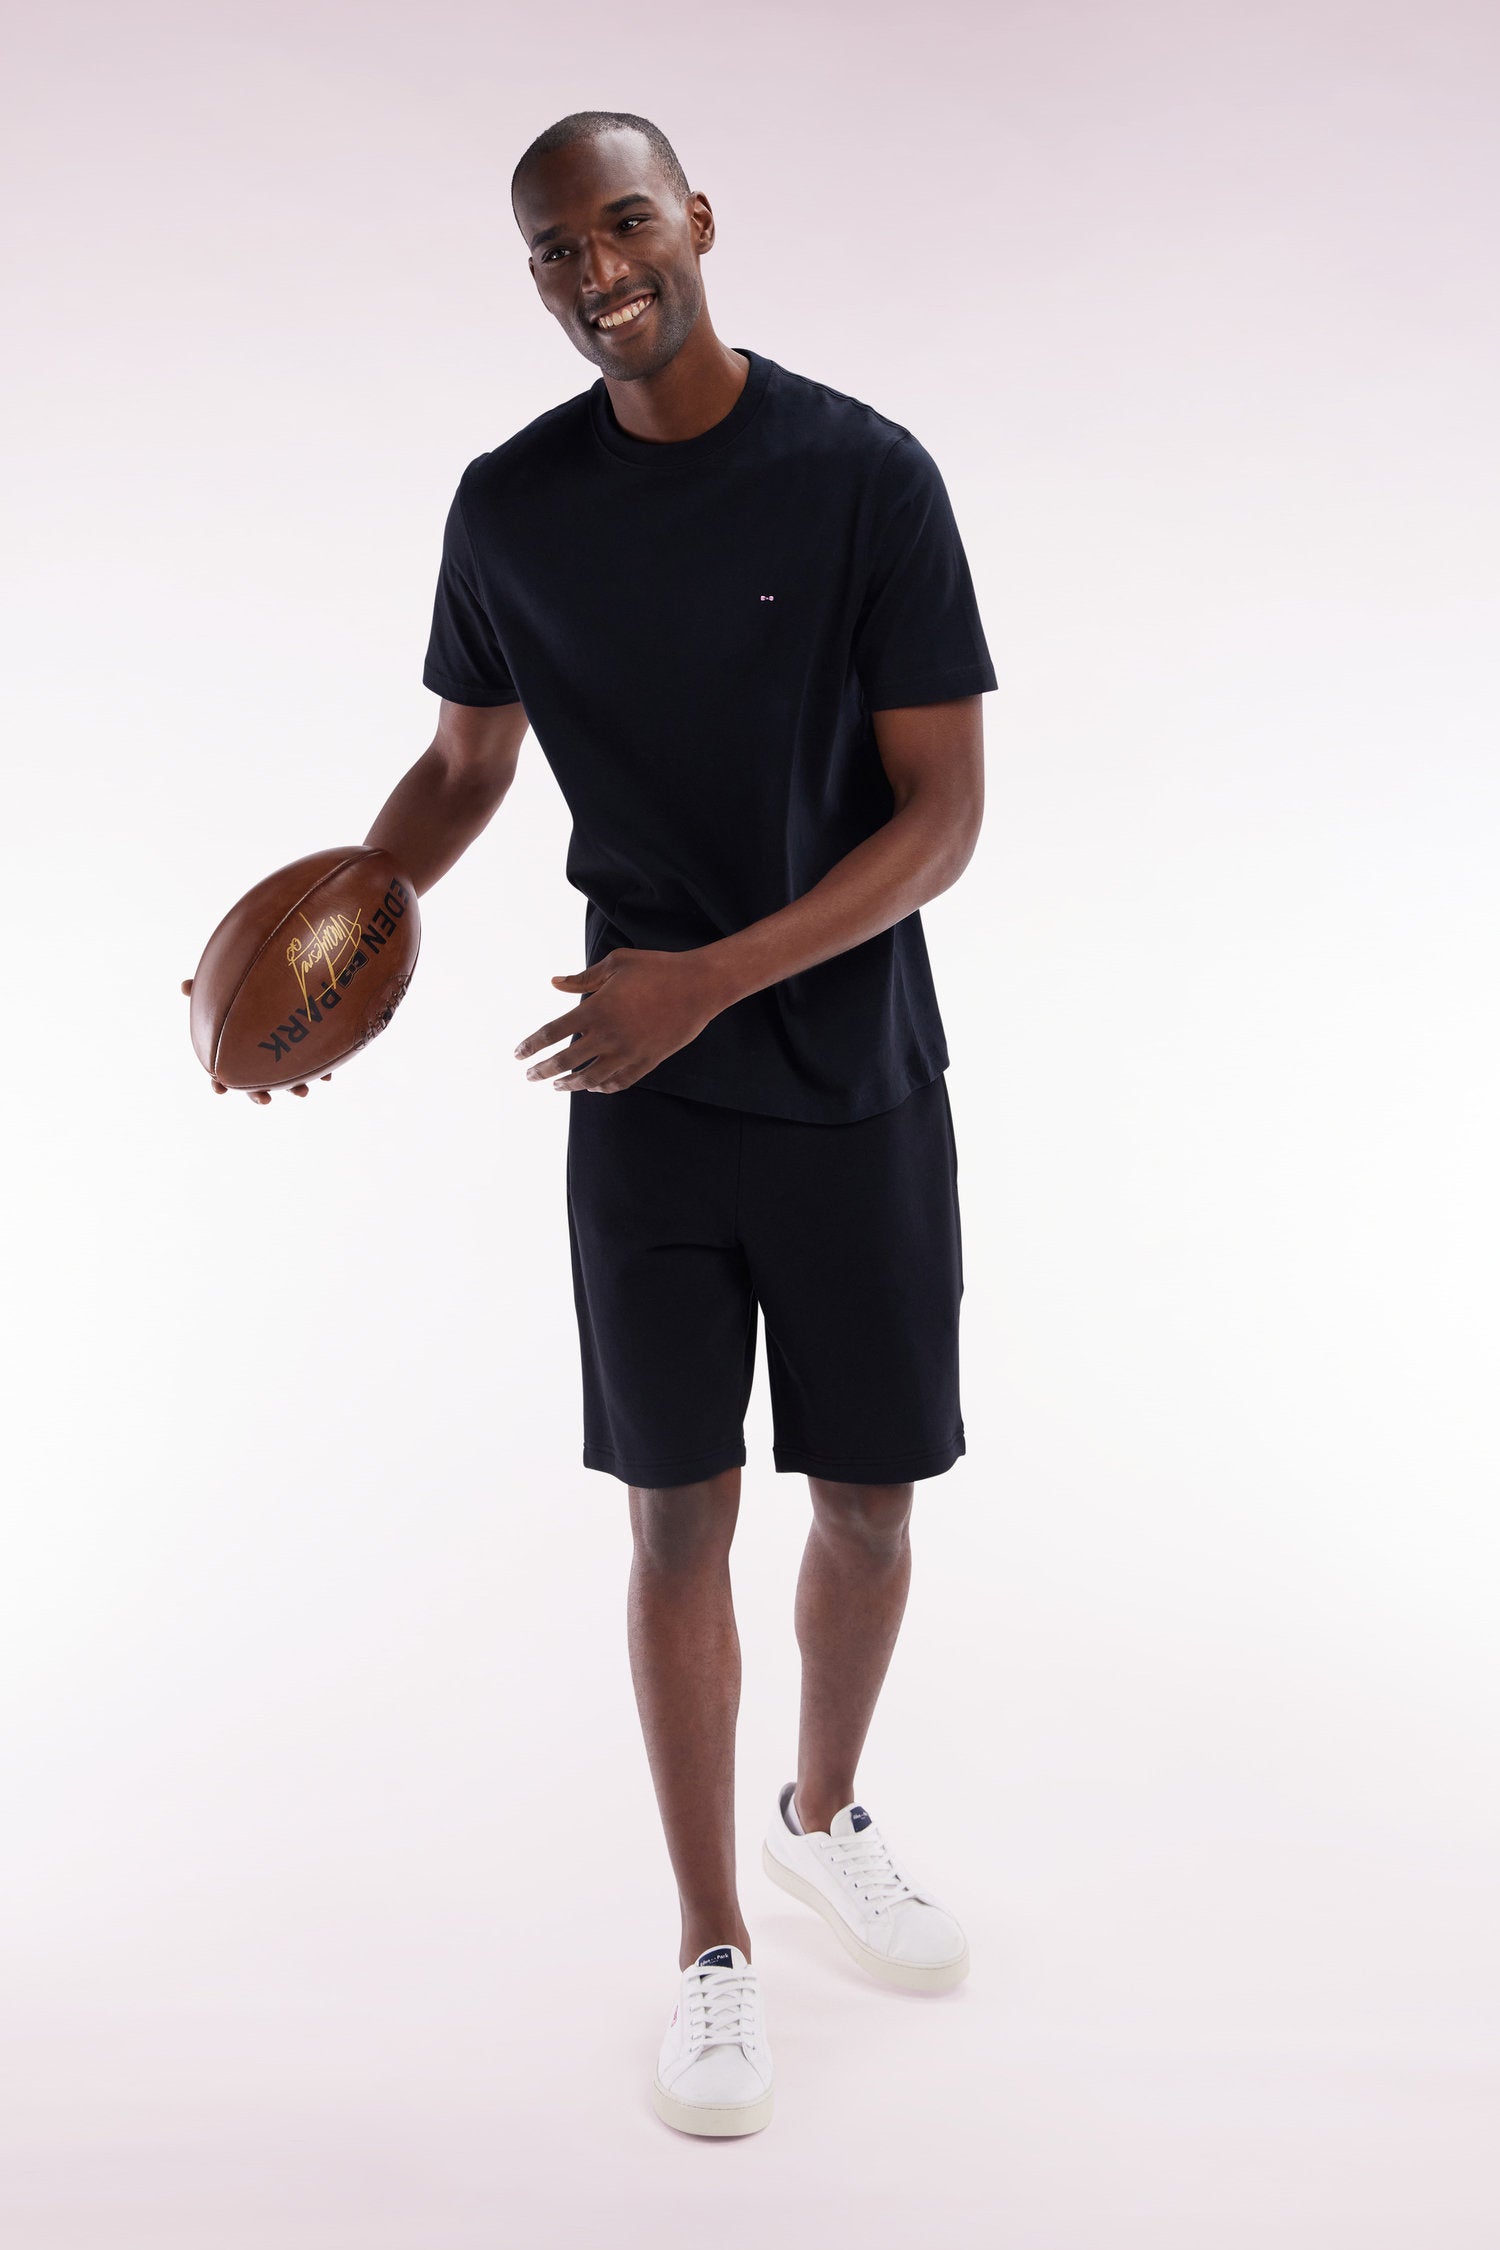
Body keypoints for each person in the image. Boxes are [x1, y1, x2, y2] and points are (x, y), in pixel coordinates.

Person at [209, 108, 997, 2139]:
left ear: (698, 221)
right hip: (637, 1095)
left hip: (851, 1080)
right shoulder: (511, 508)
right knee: (674, 1516)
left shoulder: (866, 478)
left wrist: (708, 978)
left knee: (870, 1505)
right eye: (555, 249)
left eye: (624, 224)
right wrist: (332, 950)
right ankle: (713, 1946)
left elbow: (944, 822)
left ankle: (824, 1815)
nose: (596, 271)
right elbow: (466, 769)